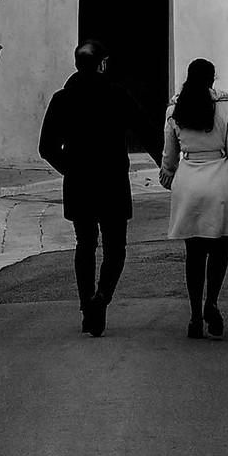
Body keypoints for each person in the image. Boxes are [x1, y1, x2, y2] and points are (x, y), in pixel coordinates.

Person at [38, 39, 163, 337]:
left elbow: (46, 147)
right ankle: (101, 299)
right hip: (112, 181)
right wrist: (167, 165)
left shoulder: (62, 99)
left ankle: (86, 307)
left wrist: (71, 168)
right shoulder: (116, 94)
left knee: (85, 244)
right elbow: (145, 129)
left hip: (79, 182)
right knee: (115, 248)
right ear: (102, 63)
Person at [160, 58, 228, 339]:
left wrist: (168, 175)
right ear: (212, 79)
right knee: (219, 250)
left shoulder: (174, 109)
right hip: (220, 182)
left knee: (194, 254)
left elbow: (169, 154)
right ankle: (211, 302)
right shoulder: (226, 107)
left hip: (189, 180)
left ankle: (193, 316)